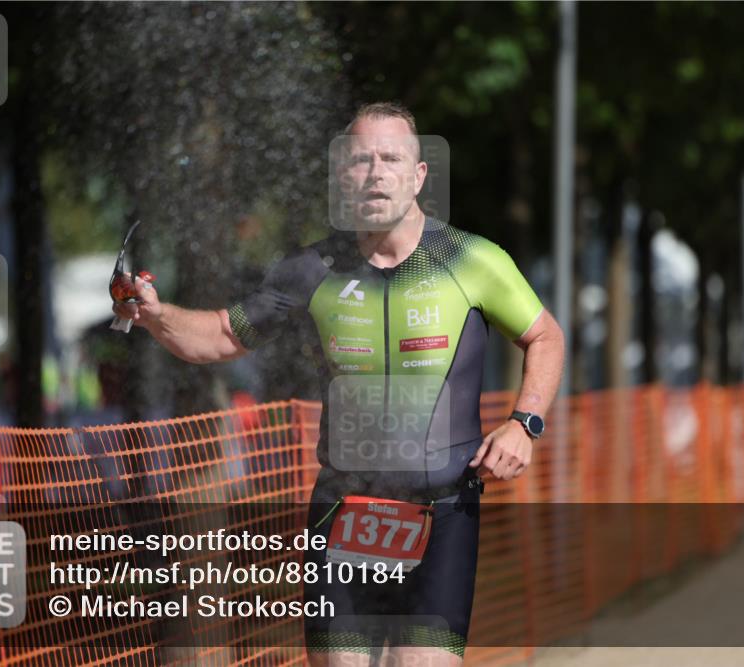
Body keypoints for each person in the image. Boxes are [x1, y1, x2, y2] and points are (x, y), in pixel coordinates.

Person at [113, 102, 565, 666]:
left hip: (443, 509)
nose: (376, 171)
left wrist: (524, 424)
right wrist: (154, 314)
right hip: (344, 511)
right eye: (361, 159)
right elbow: (224, 335)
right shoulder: (312, 269)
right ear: (344, 176)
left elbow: (545, 336)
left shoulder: (470, 259)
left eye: (392, 158)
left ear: (418, 175)